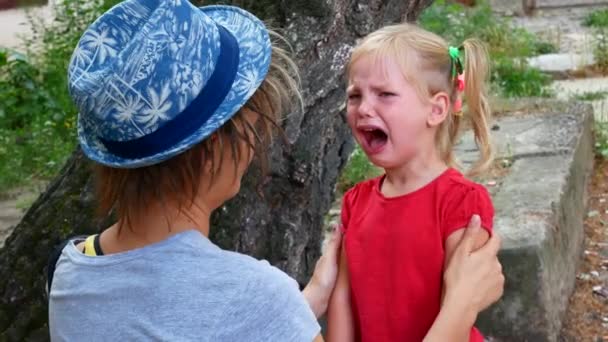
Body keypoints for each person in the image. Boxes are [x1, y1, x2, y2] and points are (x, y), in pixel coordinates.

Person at [48, 1, 504, 341]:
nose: (256, 144)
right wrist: (461, 304)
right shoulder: (255, 297)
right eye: (250, 123)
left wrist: (312, 297)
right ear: (212, 149)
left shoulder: (69, 277)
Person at [327, 23, 496, 342]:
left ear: (436, 110)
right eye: (354, 95)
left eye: (385, 94)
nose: (363, 108)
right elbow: (342, 298)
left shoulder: (461, 202)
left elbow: (460, 308)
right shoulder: (356, 201)